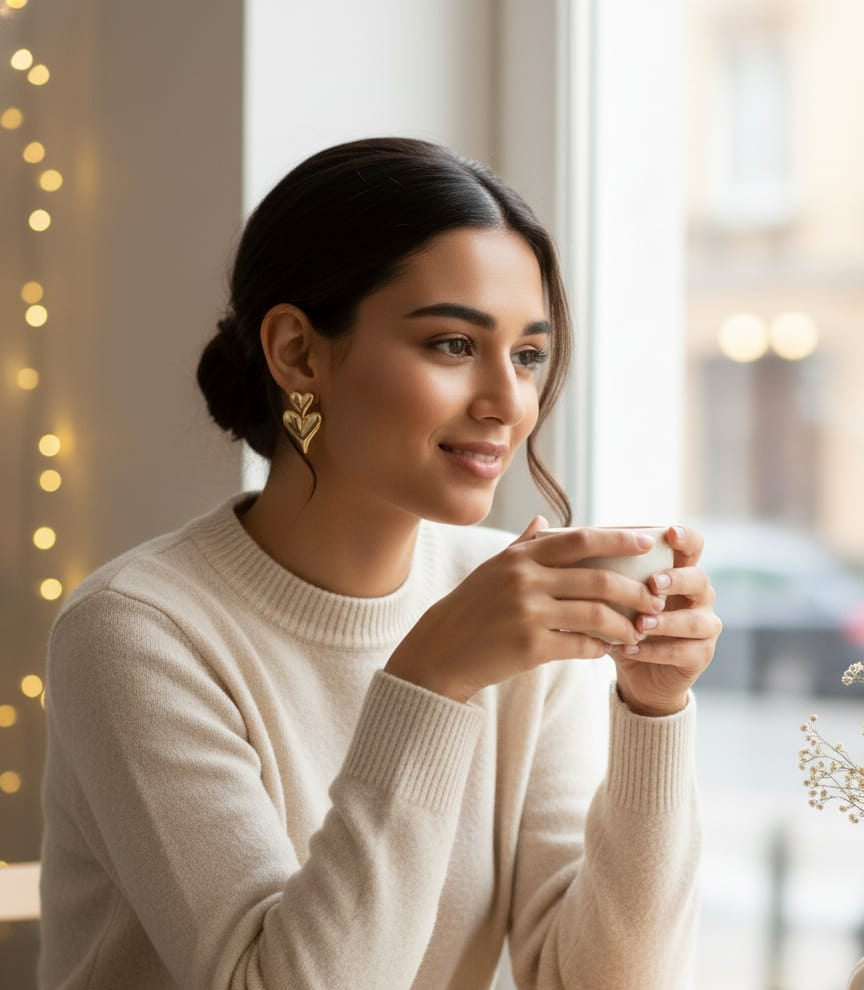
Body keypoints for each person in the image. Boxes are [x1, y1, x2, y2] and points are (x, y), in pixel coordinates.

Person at [38, 137, 721, 990]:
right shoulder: (137, 633)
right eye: (451, 345)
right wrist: (431, 681)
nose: (509, 402)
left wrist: (653, 713)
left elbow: (603, 982)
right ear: (296, 353)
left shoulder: (508, 602)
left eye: (529, 354)